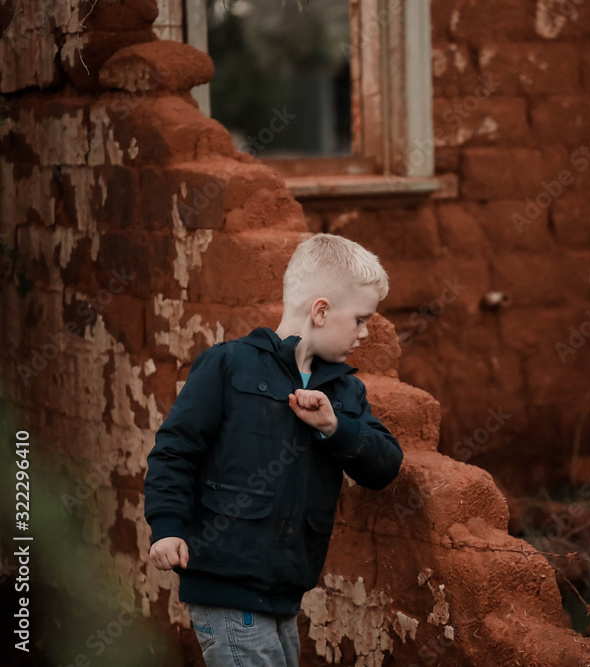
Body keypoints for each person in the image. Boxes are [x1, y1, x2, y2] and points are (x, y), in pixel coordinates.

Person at [143, 234, 404, 666]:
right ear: (321, 311)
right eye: (359, 319)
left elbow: (385, 465)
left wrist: (334, 427)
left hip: (285, 592)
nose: (364, 333)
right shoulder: (228, 366)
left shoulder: (344, 390)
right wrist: (167, 526)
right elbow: (175, 450)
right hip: (225, 584)